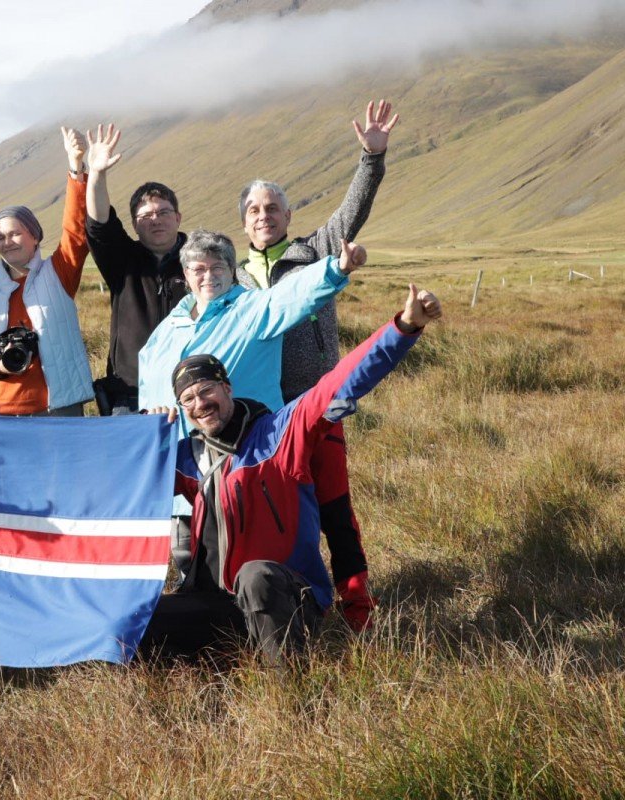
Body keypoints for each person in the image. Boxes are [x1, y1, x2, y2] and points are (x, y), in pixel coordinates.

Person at [139, 284, 442, 662]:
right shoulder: (188, 458)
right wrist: (145, 438)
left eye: (206, 391)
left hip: (287, 598)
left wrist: (404, 328)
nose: (200, 404)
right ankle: (218, 666)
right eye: (188, 399)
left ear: (227, 388)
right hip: (219, 604)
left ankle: (288, 691)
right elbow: (125, 484)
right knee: (137, 621)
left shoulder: (281, 433)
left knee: (255, 576)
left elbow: (342, 381)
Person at [236, 99, 399, 632]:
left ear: (287, 216)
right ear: (244, 224)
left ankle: (357, 610)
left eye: (273, 208)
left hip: (320, 407)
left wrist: (370, 160)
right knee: (282, 516)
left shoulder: (313, 252)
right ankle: (293, 605)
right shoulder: (230, 280)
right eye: (255, 211)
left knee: (335, 513)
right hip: (261, 421)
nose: (265, 216)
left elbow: (352, 213)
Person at [137, 230, 364, 424]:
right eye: (198, 269)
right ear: (186, 274)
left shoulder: (252, 309)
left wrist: (337, 269)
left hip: (247, 446)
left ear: (231, 272)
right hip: (182, 455)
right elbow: (147, 381)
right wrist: (149, 415)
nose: (208, 276)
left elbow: (295, 293)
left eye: (217, 267)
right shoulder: (170, 326)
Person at [0, 126, 94, 416]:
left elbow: (76, 232)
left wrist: (76, 168)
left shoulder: (58, 273)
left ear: (35, 236)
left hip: (58, 409)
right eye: (0, 237)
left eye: (15, 233)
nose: (7, 243)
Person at [84, 124, 188, 414]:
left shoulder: (201, 260)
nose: (155, 219)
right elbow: (99, 224)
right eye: (145, 215)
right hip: (130, 396)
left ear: (178, 217)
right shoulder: (122, 261)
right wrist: (97, 174)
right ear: (134, 224)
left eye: (163, 212)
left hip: (191, 393)